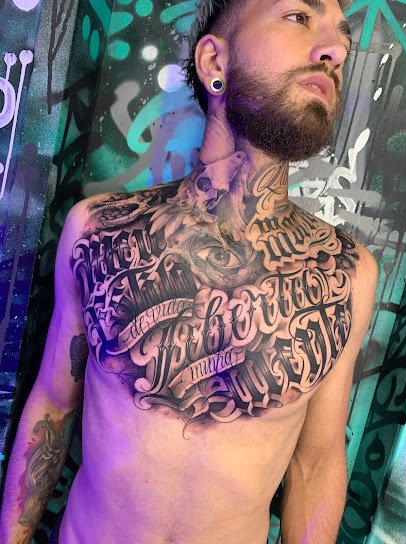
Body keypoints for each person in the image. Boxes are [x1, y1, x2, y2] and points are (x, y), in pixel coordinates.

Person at [0, 0, 378, 542]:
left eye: (343, 37)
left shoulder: (346, 275)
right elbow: (54, 407)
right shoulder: (97, 233)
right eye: (299, 17)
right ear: (213, 62)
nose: (336, 49)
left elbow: (315, 463)